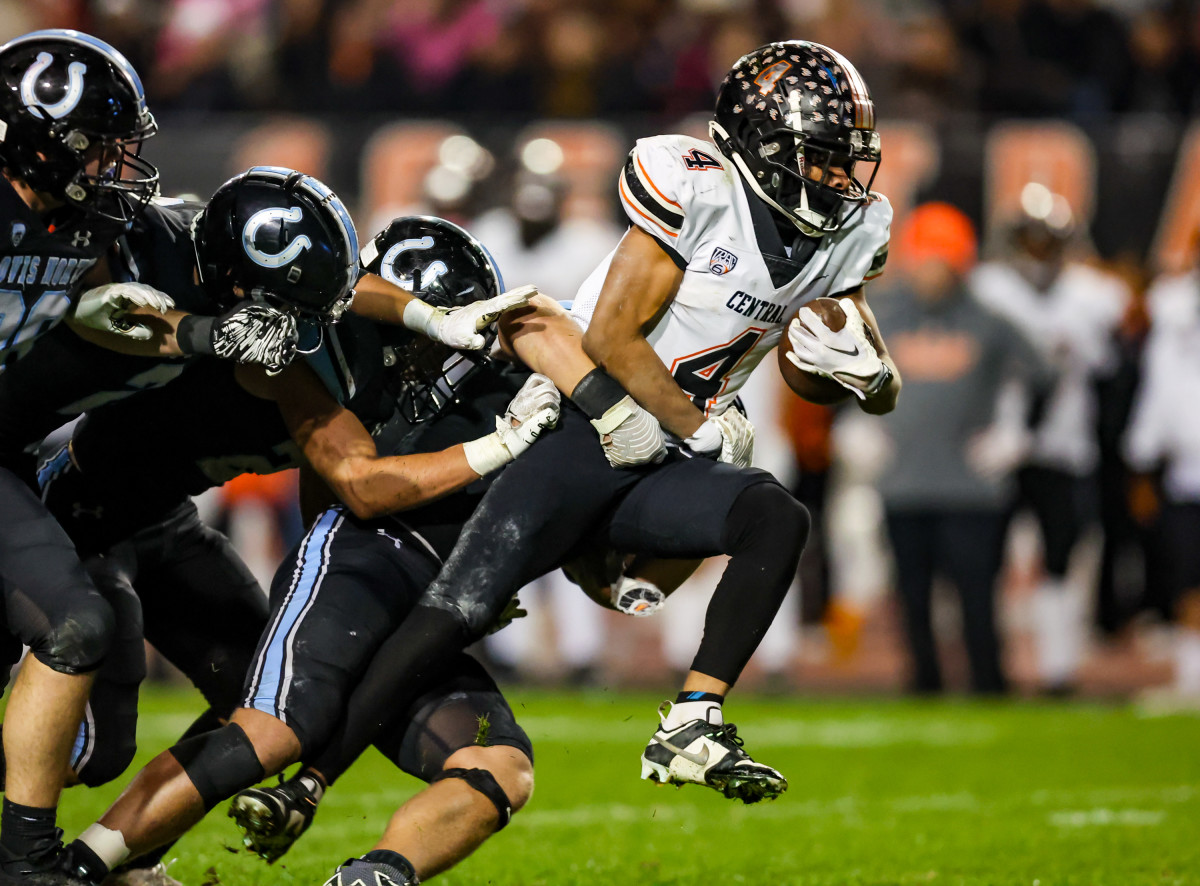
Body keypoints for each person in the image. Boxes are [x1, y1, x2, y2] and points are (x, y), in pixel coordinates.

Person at [260, 40, 899, 813]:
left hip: (665, 448)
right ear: (762, 143)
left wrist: (872, 380)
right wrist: (696, 423)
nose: (839, 178)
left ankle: (692, 721)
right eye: (823, 157)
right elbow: (612, 340)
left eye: (845, 161)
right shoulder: (699, 189)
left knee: (774, 516)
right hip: (582, 425)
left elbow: (825, 352)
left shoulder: (850, 231)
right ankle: (310, 778)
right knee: (454, 611)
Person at [51, 216, 657, 886]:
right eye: (424, 333)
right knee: (252, 728)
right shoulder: (315, 359)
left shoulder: (498, 370)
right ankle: (78, 867)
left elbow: (559, 333)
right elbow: (353, 493)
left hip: (414, 617)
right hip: (133, 527)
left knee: (500, 768)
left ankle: (375, 876)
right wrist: (499, 446)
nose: (442, 359)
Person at [0, 31, 294, 885]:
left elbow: (197, 246)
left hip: (30, 467)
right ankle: (25, 864)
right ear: (40, 138)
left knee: (102, 717)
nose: (117, 167)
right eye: (101, 147)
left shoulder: (99, 225)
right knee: (77, 626)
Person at [871, 202, 1048, 693]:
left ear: (960, 261)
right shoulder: (883, 312)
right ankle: (922, 683)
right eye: (925, 258)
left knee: (975, 593)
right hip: (902, 479)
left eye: (941, 260)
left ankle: (989, 681)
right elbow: (840, 372)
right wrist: (856, 425)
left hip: (971, 485)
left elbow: (1045, 375)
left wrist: (1018, 434)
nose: (931, 271)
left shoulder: (988, 319)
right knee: (911, 594)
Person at [971, 185, 1131, 693]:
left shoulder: (1093, 294)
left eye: (1046, 239)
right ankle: (989, 669)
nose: (1038, 250)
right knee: (985, 559)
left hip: (1064, 445)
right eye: (1029, 238)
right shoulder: (988, 288)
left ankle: (1057, 669)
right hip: (997, 445)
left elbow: (1110, 369)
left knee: (1062, 559)